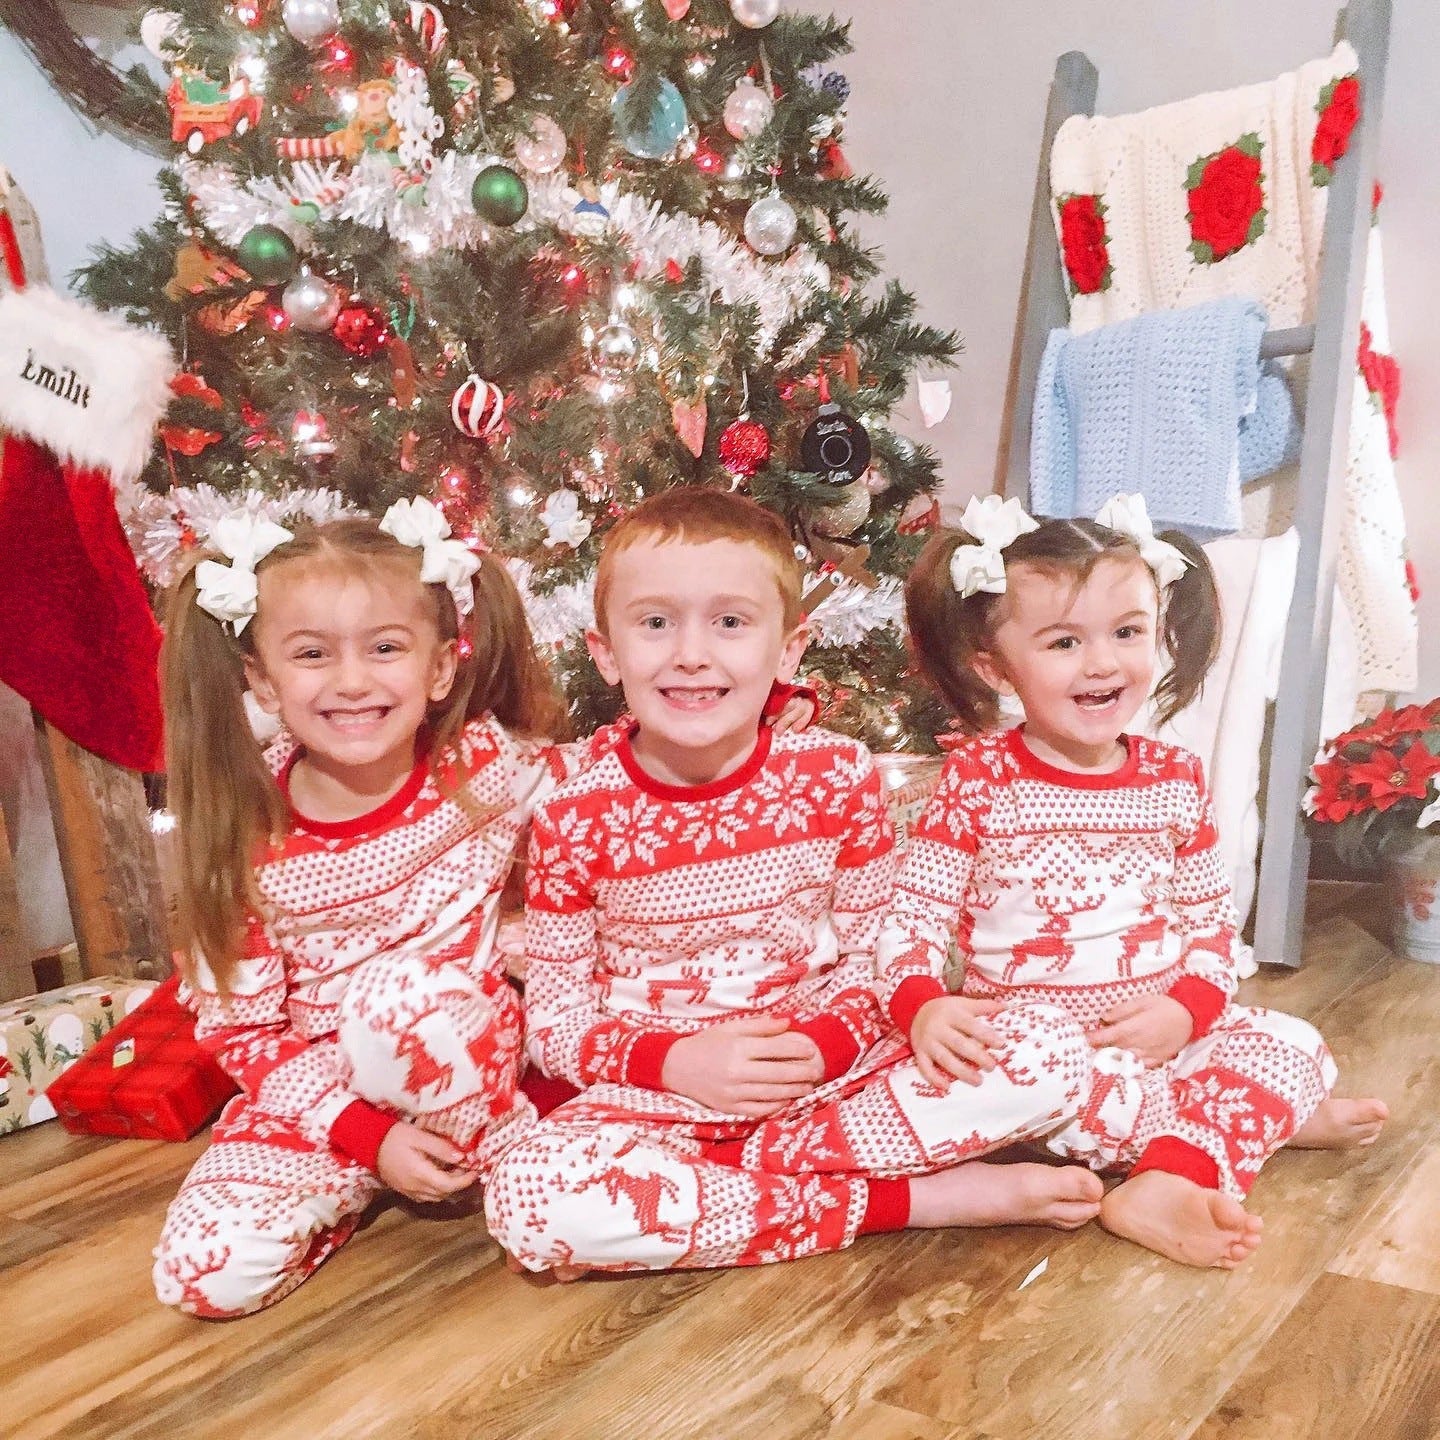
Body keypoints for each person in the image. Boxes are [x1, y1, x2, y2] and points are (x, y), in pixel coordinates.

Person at [484, 487, 1105, 1277]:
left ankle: (727, 1191)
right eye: (655, 623)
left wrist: (823, 1045)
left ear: (788, 649)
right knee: (530, 1202)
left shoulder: (836, 774)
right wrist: (675, 1064)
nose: (691, 654)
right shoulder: (574, 815)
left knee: (1049, 1054)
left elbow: (877, 951)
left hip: (835, 1076)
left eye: (731, 622)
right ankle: (909, 1200)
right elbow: (558, 1024)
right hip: (664, 1099)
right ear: (605, 652)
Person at [882, 492, 1388, 1269]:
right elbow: (910, 924)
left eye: (1127, 632)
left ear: (1160, 633)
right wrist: (922, 1010)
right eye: (1062, 642)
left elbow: (1215, 934)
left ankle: (1187, 1153)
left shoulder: (1175, 779)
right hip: (1045, 1055)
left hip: (1163, 1040)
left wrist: (1186, 1016)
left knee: (1293, 1038)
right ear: (996, 665)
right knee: (1051, 1088)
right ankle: (1220, 1138)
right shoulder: (979, 778)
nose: (1102, 663)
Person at [152, 500, 569, 1317]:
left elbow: (604, 795)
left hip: (479, 1066)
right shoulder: (241, 834)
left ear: (439, 670)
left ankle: (495, 1149)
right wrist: (367, 1139)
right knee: (202, 1278)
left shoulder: (484, 763)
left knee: (401, 997)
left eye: (385, 649)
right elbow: (244, 1033)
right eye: (312, 655)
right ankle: (377, 1179)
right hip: (331, 1102)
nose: (351, 681)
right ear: (264, 680)